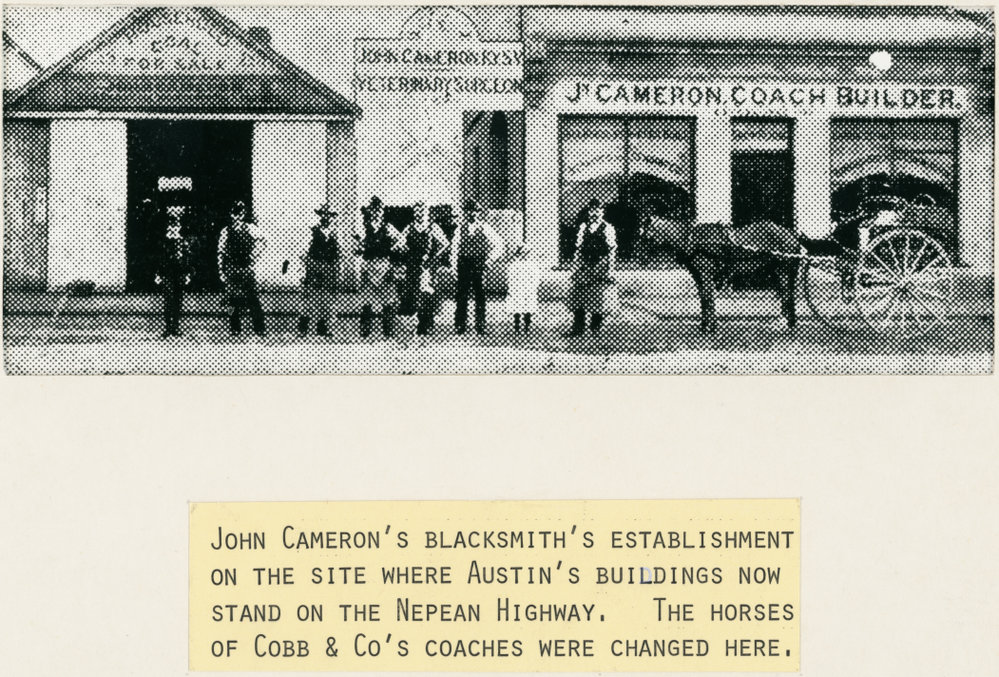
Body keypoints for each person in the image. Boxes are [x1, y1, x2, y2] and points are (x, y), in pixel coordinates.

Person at [451, 200, 504, 335]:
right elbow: (454, 249)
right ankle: (460, 325)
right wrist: (453, 267)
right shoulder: (459, 228)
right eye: (468, 211)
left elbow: (499, 244)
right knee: (462, 295)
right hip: (463, 264)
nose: (471, 213)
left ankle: (480, 325)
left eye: (474, 211)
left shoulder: (485, 227)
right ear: (464, 213)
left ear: (478, 212)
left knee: (480, 295)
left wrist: (489, 260)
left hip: (478, 264)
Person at [356, 196, 405, 337]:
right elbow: (357, 245)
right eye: (374, 209)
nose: (377, 212)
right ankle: (365, 331)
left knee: (388, 298)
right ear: (371, 211)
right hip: (369, 264)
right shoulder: (364, 227)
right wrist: (361, 247)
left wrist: (393, 248)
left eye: (379, 210)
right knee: (366, 299)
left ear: (382, 212)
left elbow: (401, 240)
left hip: (384, 264)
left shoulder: (387, 227)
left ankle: (387, 330)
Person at [567, 198, 617, 335]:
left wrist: (610, 269)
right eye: (592, 210)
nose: (595, 213)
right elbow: (578, 248)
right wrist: (575, 266)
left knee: (598, 297)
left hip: (600, 265)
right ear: (589, 211)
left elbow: (612, 250)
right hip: (584, 265)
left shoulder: (608, 228)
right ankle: (578, 327)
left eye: (598, 210)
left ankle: (596, 327)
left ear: (602, 212)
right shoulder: (583, 227)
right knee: (579, 297)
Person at [399, 202, 450, 336]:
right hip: (412, 264)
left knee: (426, 293)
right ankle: (423, 319)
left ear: (427, 213)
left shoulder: (433, 227)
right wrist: (403, 249)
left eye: (422, 211)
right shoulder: (410, 227)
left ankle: (424, 322)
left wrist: (434, 256)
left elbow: (445, 244)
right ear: (414, 213)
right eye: (417, 211)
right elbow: (401, 242)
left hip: (427, 264)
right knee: (415, 293)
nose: (420, 214)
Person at [217, 200, 267, 336]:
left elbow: (263, 241)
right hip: (232, 268)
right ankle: (234, 326)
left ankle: (259, 327)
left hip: (246, 268)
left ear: (243, 214)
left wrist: (254, 256)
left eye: (239, 213)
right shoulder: (226, 231)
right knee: (231, 301)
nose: (237, 216)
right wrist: (221, 270)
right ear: (231, 214)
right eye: (234, 213)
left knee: (252, 298)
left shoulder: (250, 228)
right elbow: (220, 252)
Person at [297, 205, 340, 337]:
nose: (326, 218)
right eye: (324, 215)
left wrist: (336, 268)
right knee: (309, 299)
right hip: (314, 267)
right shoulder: (313, 231)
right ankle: (303, 328)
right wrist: (306, 267)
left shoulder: (334, 234)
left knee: (326, 300)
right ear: (320, 216)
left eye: (329, 216)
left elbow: (338, 253)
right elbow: (303, 251)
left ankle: (323, 328)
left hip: (329, 269)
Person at [154, 207, 192, 338]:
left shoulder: (183, 243)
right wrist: (158, 274)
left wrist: (187, 274)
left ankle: (175, 326)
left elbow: (186, 260)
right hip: (167, 274)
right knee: (168, 301)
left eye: (175, 227)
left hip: (179, 274)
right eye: (171, 228)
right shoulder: (164, 244)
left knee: (178, 301)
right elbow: (160, 259)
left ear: (179, 228)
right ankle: (168, 327)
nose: (173, 230)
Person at [505, 243, 540, 334]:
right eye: (521, 253)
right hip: (517, 290)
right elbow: (510, 278)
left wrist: (533, 287)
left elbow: (536, 278)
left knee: (528, 310)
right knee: (517, 310)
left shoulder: (532, 265)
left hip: (528, 290)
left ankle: (527, 327)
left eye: (526, 253)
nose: (524, 255)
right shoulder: (513, 265)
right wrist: (511, 288)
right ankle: (517, 327)